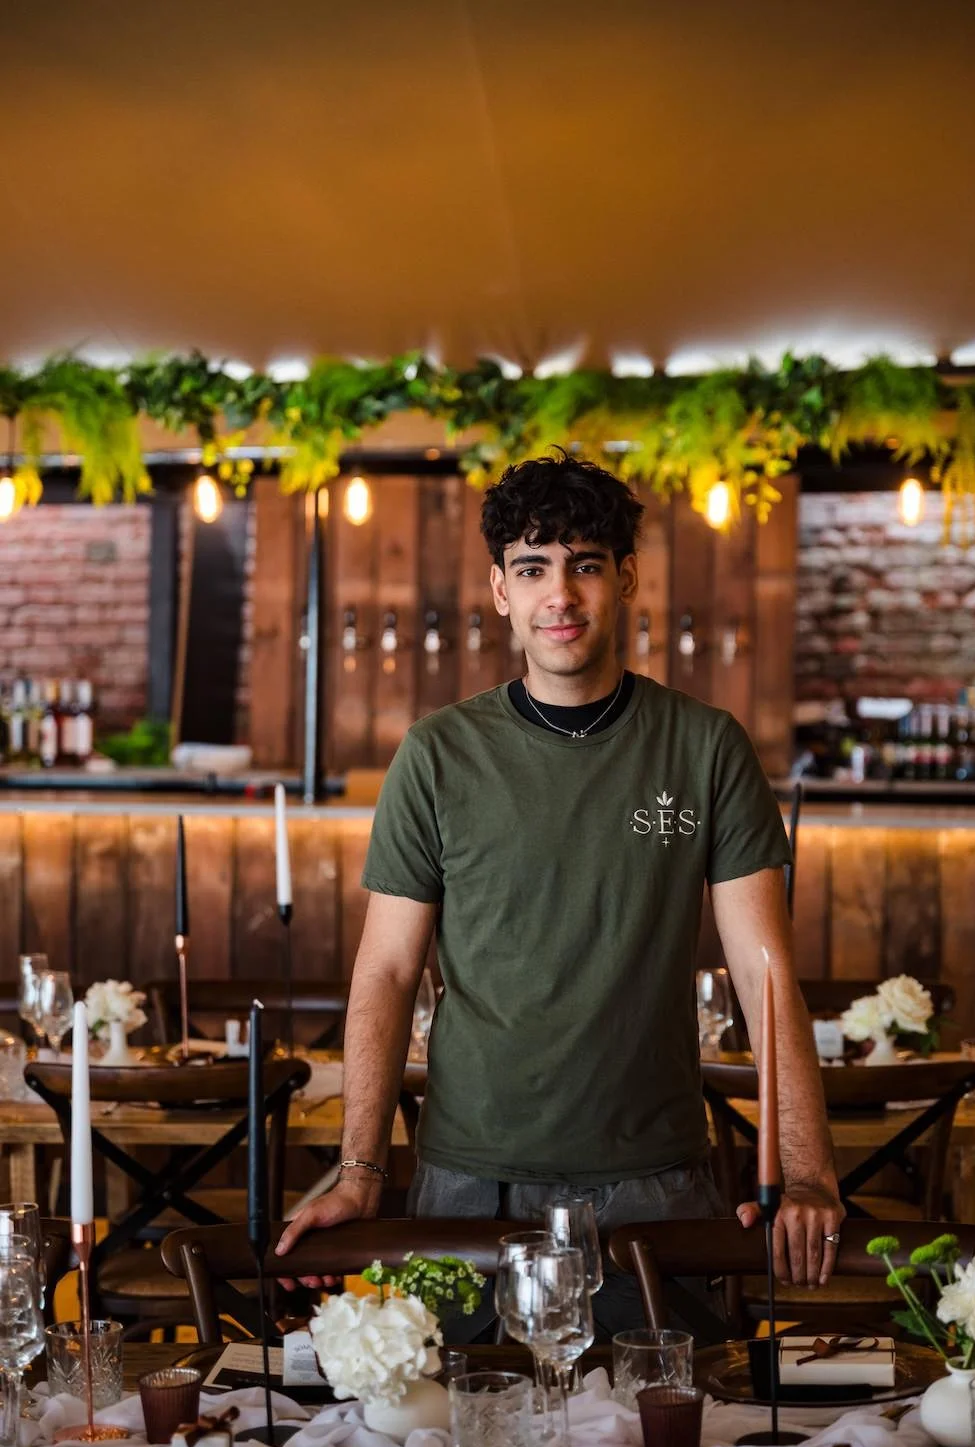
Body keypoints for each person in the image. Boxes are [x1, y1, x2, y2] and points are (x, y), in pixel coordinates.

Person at [277, 450, 844, 1335]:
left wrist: (807, 1173)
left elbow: (766, 974)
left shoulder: (705, 748)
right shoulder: (437, 755)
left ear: (623, 580)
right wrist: (358, 1171)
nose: (562, 596)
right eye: (534, 569)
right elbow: (386, 974)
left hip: (655, 1179)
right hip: (468, 1181)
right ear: (501, 589)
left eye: (584, 565)